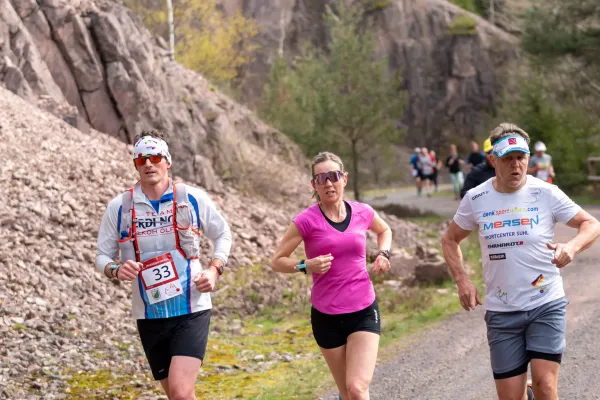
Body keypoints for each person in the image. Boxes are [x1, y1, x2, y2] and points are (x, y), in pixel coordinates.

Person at [441, 123, 600, 400]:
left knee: (546, 386)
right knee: (510, 397)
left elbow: (591, 224)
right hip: (502, 311)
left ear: (529, 157)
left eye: (521, 157)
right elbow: (450, 239)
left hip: (545, 302)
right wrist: (462, 281)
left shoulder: (546, 192)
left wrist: (572, 247)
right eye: (507, 159)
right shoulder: (476, 199)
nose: (516, 165)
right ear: (493, 160)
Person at [95, 130, 232, 400]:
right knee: (178, 396)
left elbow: (223, 234)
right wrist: (116, 270)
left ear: (167, 161)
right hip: (149, 314)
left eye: (155, 157)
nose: (148, 164)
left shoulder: (191, 198)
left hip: (191, 307)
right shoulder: (120, 207)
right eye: (141, 159)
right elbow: (102, 256)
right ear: (135, 165)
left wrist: (214, 269)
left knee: (181, 392)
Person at [271, 151, 392, 400]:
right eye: (321, 178)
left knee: (358, 388)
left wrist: (383, 254)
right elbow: (277, 261)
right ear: (314, 185)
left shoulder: (363, 212)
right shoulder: (306, 221)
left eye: (333, 176)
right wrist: (306, 265)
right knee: (346, 392)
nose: (328, 183)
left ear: (344, 179)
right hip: (327, 317)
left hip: (363, 310)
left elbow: (385, 229)